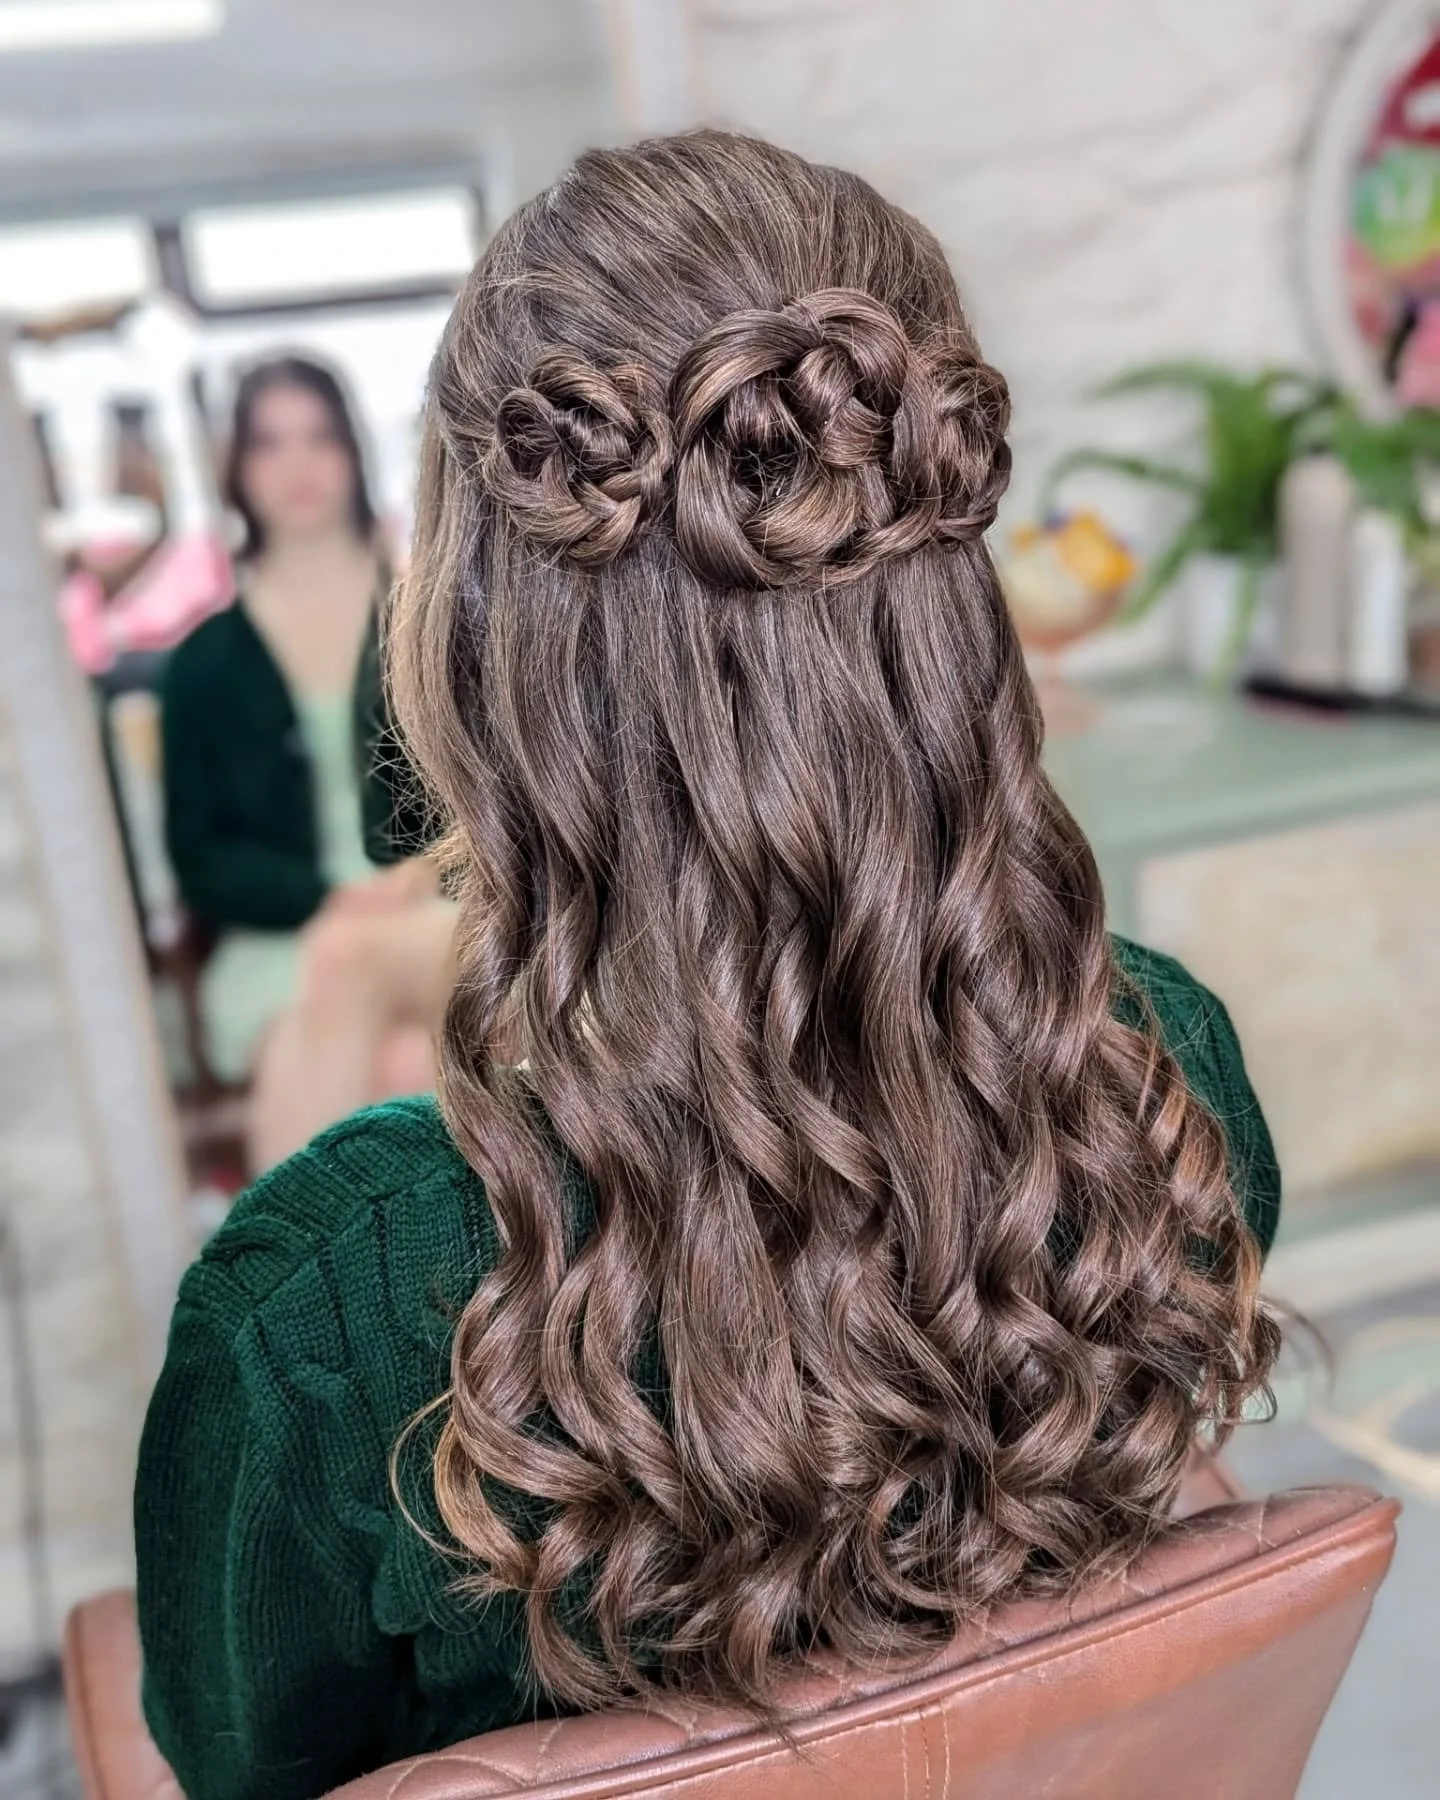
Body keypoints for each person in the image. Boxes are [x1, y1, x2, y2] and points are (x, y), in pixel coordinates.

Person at [136, 134, 1282, 1800]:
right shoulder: (1167, 1075)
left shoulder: (323, 1311)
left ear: (472, 620)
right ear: (940, 580)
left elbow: (236, 1763)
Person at [160, 354, 452, 1167]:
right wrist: (330, 898)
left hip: (441, 920)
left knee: (349, 960)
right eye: (269, 443)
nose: (297, 465)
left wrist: (419, 878)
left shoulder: (431, 619)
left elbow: (508, 803)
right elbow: (202, 859)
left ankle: (262, 1284)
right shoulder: (205, 662)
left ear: (354, 453)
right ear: (235, 469)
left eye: (319, 437)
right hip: (281, 941)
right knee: (404, 1069)